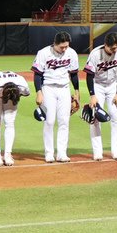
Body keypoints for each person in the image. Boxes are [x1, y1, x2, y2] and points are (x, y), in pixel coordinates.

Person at [83, 31, 117, 161]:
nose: (115, 50)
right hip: (97, 85)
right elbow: (89, 76)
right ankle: (97, 152)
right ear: (105, 44)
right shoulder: (95, 54)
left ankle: (116, 151)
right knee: (95, 118)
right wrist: (92, 95)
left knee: (115, 117)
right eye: (112, 48)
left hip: (112, 85)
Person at [32, 31, 80, 163]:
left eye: (66, 46)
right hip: (48, 88)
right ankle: (49, 153)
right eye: (62, 47)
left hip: (64, 88)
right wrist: (39, 92)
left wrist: (76, 91)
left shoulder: (71, 53)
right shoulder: (43, 53)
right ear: (55, 43)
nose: (64, 49)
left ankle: (62, 153)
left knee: (64, 121)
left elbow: (74, 73)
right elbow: (37, 74)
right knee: (49, 121)